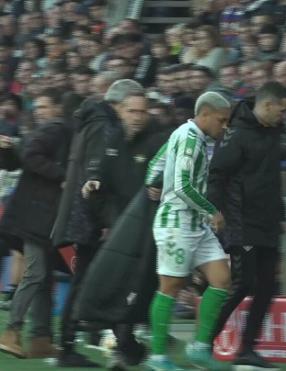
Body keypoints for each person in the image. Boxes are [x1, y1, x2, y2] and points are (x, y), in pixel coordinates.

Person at [51, 79, 154, 368]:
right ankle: (70, 345)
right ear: (117, 106)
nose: (136, 115)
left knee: (105, 281)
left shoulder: (92, 122)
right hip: (92, 219)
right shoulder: (103, 127)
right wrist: (110, 222)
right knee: (90, 281)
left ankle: (120, 344)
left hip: (87, 217)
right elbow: (97, 181)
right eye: (130, 109)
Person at [144, 91, 232, 371]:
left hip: (196, 225)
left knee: (222, 279)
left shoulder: (191, 136)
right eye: (222, 120)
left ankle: (199, 349)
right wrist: (212, 211)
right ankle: (158, 357)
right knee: (170, 287)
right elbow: (182, 186)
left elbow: (155, 162)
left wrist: (152, 182)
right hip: (177, 224)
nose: (225, 126)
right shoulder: (190, 138)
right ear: (204, 114)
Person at [207, 81, 286, 369]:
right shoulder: (239, 134)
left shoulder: (272, 133)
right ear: (267, 105)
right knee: (242, 283)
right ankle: (204, 341)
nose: (284, 116)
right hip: (242, 220)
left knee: (268, 286)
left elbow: (272, 179)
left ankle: (247, 348)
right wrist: (215, 210)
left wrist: (280, 215)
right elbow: (217, 172)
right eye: (281, 110)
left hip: (267, 222)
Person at [0, 88, 71, 359]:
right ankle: (12, 331)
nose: (39, 111)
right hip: (35, 216)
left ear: (57, 108)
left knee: (43, 278)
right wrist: (65, 175)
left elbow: (21, 161)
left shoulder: (51, 131)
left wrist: (10, 150)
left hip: (37, 215)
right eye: (37, 107)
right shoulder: (54, 130)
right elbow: (30, 159)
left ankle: (40, 338)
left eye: (44, 106)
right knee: (37, 274)